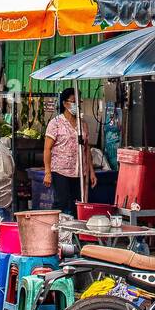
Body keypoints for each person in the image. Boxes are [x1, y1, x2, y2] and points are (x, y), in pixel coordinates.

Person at [44, 87, 95, 215]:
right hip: (60, 170)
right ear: (65, 103)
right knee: (61, 201)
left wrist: (91, 171)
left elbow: (86, 148)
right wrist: (48, 172)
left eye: (79, 102)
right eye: (74, 102)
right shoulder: (55, 123)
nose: (77, 105)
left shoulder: (83, 124)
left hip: (79, 171)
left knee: (77, 203)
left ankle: (74, 233)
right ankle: (54, 230)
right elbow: (47, 149)